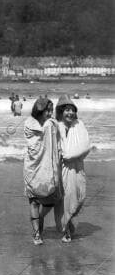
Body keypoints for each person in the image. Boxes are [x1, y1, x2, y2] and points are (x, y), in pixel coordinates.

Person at [23, 97, 62, 245]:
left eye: (51, 110)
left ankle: (40, 217)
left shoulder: (51, 124)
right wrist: (50, 123)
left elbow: (57, 140)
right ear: (39, 110)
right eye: (48, 110)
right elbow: (34, 143)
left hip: (48, 166)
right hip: (33, 166)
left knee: (52, 198)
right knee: (33, 200)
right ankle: (37, 234)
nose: (50, 113)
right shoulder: (29, 124)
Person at [54, 95, 91, 243]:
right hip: (62, 168)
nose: (69, 113)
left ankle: (69, 221)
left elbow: (85, 146)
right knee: (65, 198)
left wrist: (69, 155)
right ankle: (66, 230)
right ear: (60, 112)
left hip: (77, 167)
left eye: (71, 110)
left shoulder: (79, 124)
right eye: (66, 110)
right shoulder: (57, 126)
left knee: (80, 197)